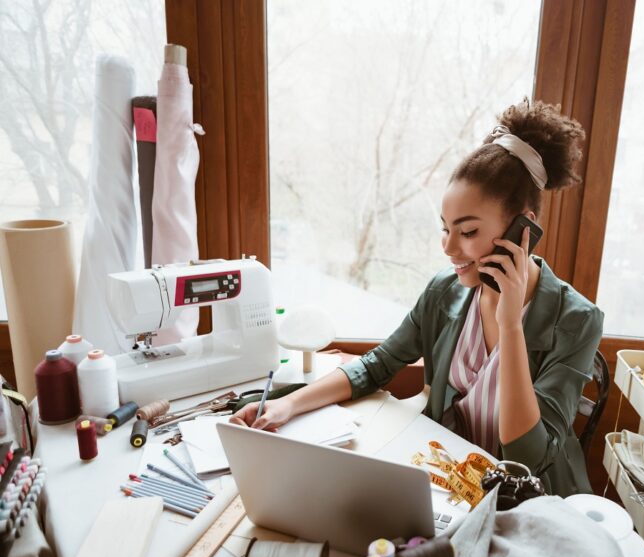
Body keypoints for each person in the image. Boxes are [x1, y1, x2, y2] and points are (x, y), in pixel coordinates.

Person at [231, 99, 604, 496]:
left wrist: (511, 326)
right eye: (445, 228)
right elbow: (377, 366)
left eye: (468, 231)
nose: (448, 247)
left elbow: (527, 458)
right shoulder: (445, 291)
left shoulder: (578, 321)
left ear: (523, 225)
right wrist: (287, 406)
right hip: (453, 484)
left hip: (530, 500)